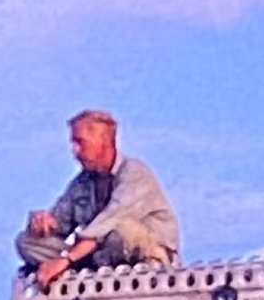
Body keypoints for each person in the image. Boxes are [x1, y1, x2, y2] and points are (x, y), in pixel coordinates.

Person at [16, 110, 181, 289]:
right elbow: (59, 224)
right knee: (26, 242)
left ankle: (73, 266)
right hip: (97, 254)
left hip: (138, 250)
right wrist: (41, 224)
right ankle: (81, 269)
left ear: (104, 140)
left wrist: (65, 260)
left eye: (80, 143)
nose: (75, 151)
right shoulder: (82, 182)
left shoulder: (135, 173)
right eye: (73, 144)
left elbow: (108, 223)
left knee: (122, 231)